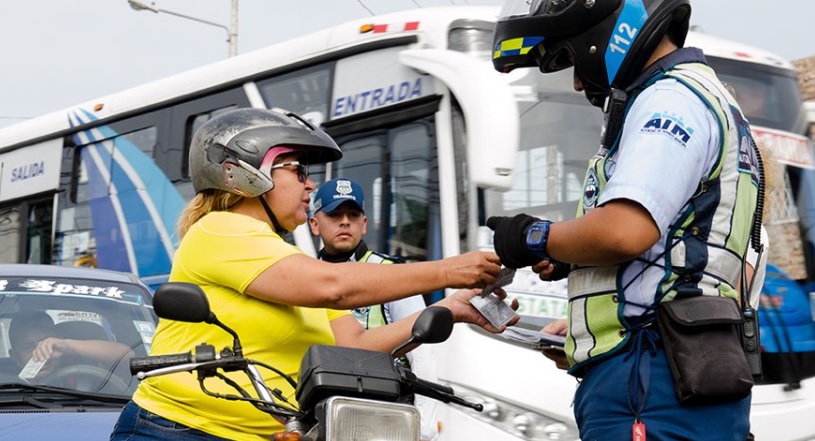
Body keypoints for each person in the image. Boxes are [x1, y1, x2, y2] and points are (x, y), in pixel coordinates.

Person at [110, 107, 518, 441]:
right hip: (177, 430)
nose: (310, 186)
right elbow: (334, 287)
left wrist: (452, 306)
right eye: (298, 171)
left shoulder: (285, 259)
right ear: (247, 173)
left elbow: (356, 345)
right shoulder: (221, 230)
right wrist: (449, 270)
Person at [490, 1, 763, 440]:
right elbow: (686, 243)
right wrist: (572, 262)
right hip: (674, 370)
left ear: (601, 30)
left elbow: (623, 230)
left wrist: (531, 236)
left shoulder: (669, 98)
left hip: (652, 379)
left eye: (568, 58)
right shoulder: (707, 97)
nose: (578, 82)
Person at [309, 177, 441, 441]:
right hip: (321, 417)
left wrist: (424, 429)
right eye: (335, 214)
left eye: (353, 214)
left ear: (364, 224)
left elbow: (423, 356)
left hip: (382, 418)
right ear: (314, 224)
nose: (345, 221)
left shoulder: (391, 273)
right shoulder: (302, 276)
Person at [8, 310, 134, 383]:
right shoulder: (7, 388)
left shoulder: (85, 366)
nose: (39, 352)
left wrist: (68, 346)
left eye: (46, 342)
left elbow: (128, 357)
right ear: (15, 357)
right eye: (27, 347)